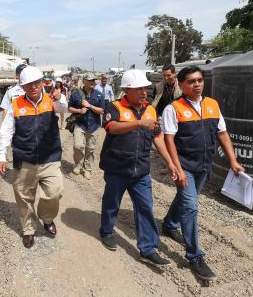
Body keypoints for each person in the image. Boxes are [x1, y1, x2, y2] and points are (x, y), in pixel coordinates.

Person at [161, 66, 244, 281]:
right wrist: (177, 168)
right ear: (181, 85)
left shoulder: (212, 105)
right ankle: (195, 256)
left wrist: (233, 161)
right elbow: (169, 140)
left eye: (199, 80)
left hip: (204, 165)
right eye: (190, 81)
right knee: (190, 206)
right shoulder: (173, 108)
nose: (196, 84)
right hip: (185, 166)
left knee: (186, 199)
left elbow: (222, 133)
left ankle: (170, 224)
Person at [98, 69, 177, 267]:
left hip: (141, 170)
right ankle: (107, 231)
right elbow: (112, 128)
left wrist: (169, 162)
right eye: (138, 88)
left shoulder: (150, 109)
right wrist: (139, 123)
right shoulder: (114, 106)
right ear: (126, 90)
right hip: (117, 168)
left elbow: (157, 137)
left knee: (145, 207)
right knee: (112, 203)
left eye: (145, 88)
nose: (143, 92)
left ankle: (148, 249)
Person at [0, 66, 67, 248]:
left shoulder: (51, 100)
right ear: (22, 86)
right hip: (25, 159)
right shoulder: (16, 104)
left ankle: (46, 217)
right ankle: (28, 229)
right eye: (28, 84)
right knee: (24, 197)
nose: (33, 87)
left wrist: (60, 98)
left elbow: (64, 108)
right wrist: (1, 155)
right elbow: (6, 131)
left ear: (42, 82)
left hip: (50, 158)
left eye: (36, 83)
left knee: (55, 192)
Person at [68, 74, 105, 179]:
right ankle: (78, 165)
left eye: (93, 80)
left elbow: (102, 111)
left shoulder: (98, 95)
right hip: (80, 124)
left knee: (90, 149)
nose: (92, 82)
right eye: (90, 80)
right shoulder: (76, 94)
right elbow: (69, 108)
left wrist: (90, 106)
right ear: (84, 81)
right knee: (78, 146)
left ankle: (87, 169)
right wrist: (79, 110)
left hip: (93, 125)